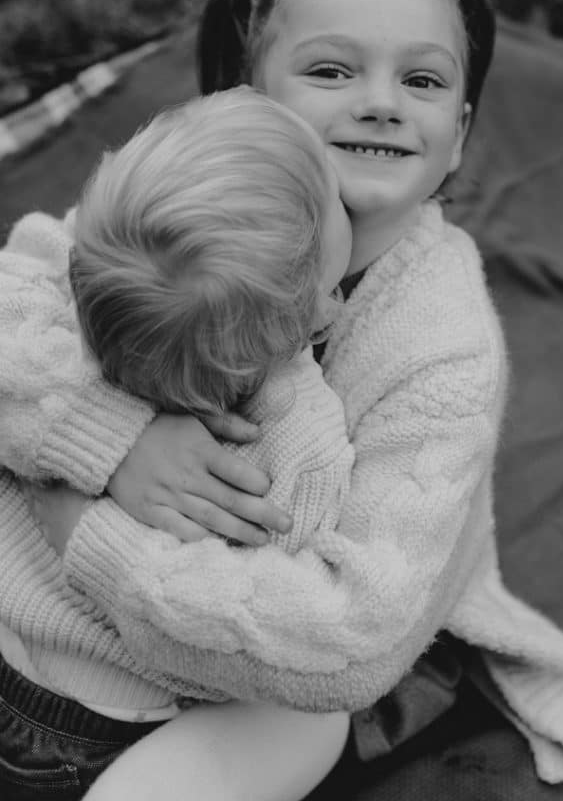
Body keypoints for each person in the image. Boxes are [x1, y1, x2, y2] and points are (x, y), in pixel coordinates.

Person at [0, 0, 563, 801]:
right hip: (27, 624)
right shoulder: (192, 193)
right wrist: (100, 436)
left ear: (459, 136)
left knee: (304, 717)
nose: (381, 100)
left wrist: (86, 528)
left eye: (422, 80)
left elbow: (349, 636)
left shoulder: (440, 350)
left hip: (209, 667)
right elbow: (19, 295)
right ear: (247, 98)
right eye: (330, 69)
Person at [0, 87, 354, 798]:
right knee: (316, 721)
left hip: (10, 637)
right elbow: (239, 634)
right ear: (319, 307)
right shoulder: (299, 448)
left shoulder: (73, 289)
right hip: (89, 732)